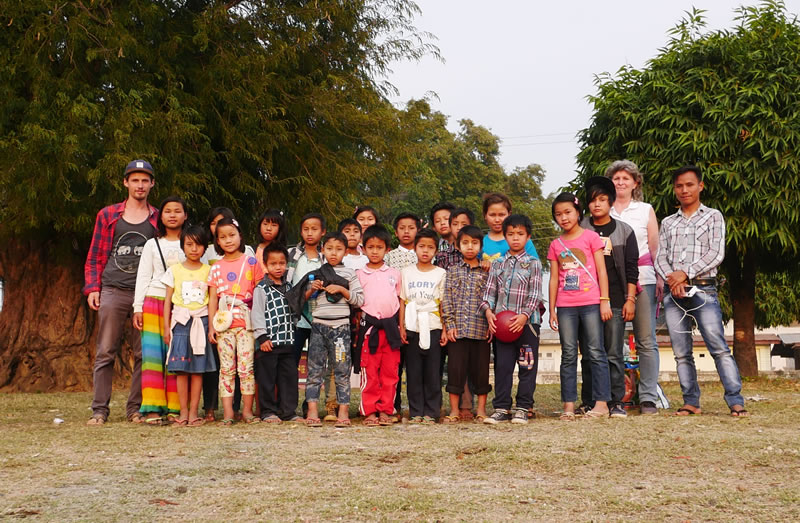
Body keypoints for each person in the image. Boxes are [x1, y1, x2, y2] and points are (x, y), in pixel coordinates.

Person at [655, 165, 748, 417]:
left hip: (704, 289)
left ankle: (735, 400)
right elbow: (660, 257)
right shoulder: (668, 222)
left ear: (700, 186)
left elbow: (716, 253)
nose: (684, 190)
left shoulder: (713, 216)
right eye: (679, 186)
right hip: (674, 294)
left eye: (689, 185)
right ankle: (691, 402)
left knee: (717, 347)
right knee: (681, 352)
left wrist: (685, 273)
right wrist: (673, 279)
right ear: (674, 189)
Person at [84, 159, 159, 425]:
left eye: (145, 180)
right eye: (135, 180)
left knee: (145, 353)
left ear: (151, 184)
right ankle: (99, 410)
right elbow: (95, 255)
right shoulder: (108, 215)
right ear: (126, 182)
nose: (140, 185)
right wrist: (93, 287)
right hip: (113, 289)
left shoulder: (158, 217)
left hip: (147, 294)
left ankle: (135, 409)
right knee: (106, 350)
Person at [548, 194, 612, 421]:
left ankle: (602, 403)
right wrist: (553, 309)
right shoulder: (556, 244)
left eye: (567, 212)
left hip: (592, 303)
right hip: (566, 306)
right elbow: (554, 278)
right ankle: (568, 406)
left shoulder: (592, 237)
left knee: (595, 351)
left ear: (577, 212)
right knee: (568, 354)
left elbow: (601, 271)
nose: (563, 218)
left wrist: (605, 300)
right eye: (558, 214)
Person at [579, 177, 639, 418]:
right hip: (585, 301)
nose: (597, 205)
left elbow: (632, 267)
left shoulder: (624, 231)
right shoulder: (581, 228)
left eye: (602, 199)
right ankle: (589, 400)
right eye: (592, 200)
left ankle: (616, 402)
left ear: (611, 202)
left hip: (615, 299)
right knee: (589, 354)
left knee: (613, 352)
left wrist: (630, 299)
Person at [607, 160, 662, 415]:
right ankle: (614, 396)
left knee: (646, 340)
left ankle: (649, 396)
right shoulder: (602, 209)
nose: (620, 183)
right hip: (611, 283)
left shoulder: (645, 209)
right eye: (616, 178)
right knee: (612, 341)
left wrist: (661, 276)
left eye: (625, 178)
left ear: (635, 183)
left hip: (644, 277)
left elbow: (654, 247)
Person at [480, 215, 543, 425]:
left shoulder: (533, 263)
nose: (515, 238)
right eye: (511, 234)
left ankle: (523, 407)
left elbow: (535, 294)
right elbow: (489, 292)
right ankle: (501, 407)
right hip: (501, 326)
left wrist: (524, 316)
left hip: (527, 325)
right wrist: (488, 312)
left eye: (520, 234)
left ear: (528, 236)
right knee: (503, 366)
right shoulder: (497, 263)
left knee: (527, 366)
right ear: (505, 236)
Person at [133, 196, 188, 424]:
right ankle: (153, 408)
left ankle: (176, 407)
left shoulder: (191, 242)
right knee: (153, 356)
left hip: (183, 304)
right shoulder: (152, 244)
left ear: (185, 216)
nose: (173, 215)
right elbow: (143, 276)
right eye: (168, 211)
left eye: (178, 211)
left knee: (178, 355)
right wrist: (137, 307)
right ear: (160, 216)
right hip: (154, 300)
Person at [302, 232, 365, 427]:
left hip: (341, 329)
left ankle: (343, 411)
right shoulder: (318, 273)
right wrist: (313, 289)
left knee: (341, 370)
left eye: (338, 249)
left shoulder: (349, 273)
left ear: (346, 252)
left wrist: (342, 290)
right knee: (314, 370)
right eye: (329, 249)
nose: (333, 253)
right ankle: (312, 410)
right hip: (319, 326)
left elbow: (360, 300)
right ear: (322, 250)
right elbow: (303, 299)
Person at [207, 217, 263, 425]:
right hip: (224, 326)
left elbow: (259, 293)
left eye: (232, 235)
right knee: (226, 369)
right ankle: (229, 413)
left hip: (246, 325)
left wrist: (259, 324)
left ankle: (247, 411)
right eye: (223, 237)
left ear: (240, 236)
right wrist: (212, 325)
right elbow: (213, 298)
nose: (228, 240)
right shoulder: (215, 268)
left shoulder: (251, 262)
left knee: (246, 368)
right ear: (217, 242)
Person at [161, 225, 217, 427]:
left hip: (201, 324)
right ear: (183, 246)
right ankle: (182, 411)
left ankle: (194, 412)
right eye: (189, 244)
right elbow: (167, 300)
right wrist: (167, 328)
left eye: (199, 245)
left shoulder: (210, 271)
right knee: (181, 370)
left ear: (205, 247)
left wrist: (211, 327)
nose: (194, 249)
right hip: (181, 324)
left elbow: (212, 301)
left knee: (197, 370)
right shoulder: (174, 270)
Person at [441, 225, 491, 424]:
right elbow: (447, 299)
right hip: (458, 331)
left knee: (481, 373)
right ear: (458, 246)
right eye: (465, 243)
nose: (470, 247)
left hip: (481, 330)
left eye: (474, 243)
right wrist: (450, 324)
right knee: (455, 371)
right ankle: (454, 410)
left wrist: (490, 323)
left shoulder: (487, 271)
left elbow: (492, 297)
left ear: (481, 245)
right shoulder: (452, 271)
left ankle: (481, 409)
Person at [355, 225, 403, 426]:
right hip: (370, 330)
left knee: (390, 373)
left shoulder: (394, 273)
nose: (375, 251)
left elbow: (400, 301)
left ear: (387, 250)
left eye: (379, 247)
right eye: (371, 247)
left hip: (391, 329)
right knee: (371, 372)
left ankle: (386, 410)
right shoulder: (359, 274)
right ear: (363, 249)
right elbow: (356, 305)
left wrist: (401, 327)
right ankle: (369, 410)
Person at [399, 228, 446, 423]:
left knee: (433, 371)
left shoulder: (441, 273)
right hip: (412, 326)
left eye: (430, 247)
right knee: (414, 372)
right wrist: (401, 327)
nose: (425, 251)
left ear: (436, 250)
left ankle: (432, 411)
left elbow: (443, 303)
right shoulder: (406, 273)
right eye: (421, 247)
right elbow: (402, 300)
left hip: (433, 326)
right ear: (415, 248)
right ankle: (416, 410)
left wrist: (444, 328)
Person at [251, 243, 300, 423]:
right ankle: (268, 411)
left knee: (289, 379)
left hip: (287, 341)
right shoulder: (261, 288)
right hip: (268, 343)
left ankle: (288, 412)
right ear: (265, 264)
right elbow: (256, 313)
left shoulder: (289, 287)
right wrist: (262, 337)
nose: (278, 267)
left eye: (281, 263)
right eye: (273, 264)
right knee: (267, 380)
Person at [286, 213, 326, 366]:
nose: (310, 233)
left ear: (323, 231)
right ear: (301, 232)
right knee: (291, 361)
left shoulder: (326, 256)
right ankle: (290, 391)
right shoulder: (292, 254)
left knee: (316, 364)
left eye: (314, 229)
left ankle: (312, 391)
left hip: (319, 317)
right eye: (306, 229)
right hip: (296, 318)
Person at [481, 193, 539, 266]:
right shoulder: (479, 243)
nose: (497, 220)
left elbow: (536, 268)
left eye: (501, 215)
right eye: (492, 215)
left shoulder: (523, 240)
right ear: (485, 215)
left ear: (509, 214)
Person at [254, 208, 288, 274]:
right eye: (265, 224)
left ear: (280, 229)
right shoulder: (252, 251)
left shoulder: (284, 252)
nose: (268, 228)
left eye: (274, 225)